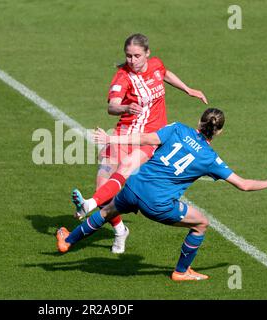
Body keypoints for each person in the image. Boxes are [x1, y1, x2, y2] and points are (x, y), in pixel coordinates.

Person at [58, 108, 267, 281]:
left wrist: (112, 139)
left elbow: (145, 139)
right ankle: (181, 271)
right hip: (157, 204)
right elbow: (243, 185)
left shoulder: (177, 128)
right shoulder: (210, 158)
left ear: (199, 121)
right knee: (201, 224)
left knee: (107, 211)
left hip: (134, 186)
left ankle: (68, 241)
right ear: (219, 132)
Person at [72, 33, 208, 254]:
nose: (132, 60)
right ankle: (119, 231)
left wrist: (188, 89)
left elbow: (165, 74)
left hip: (151, 137)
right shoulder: (122, 77)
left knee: (125, 168)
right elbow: (112, 106)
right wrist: (126, 108)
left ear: (147, 54)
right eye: (128, 56)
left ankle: (89, 205)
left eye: (136, 56)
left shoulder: (155, 65)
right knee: (102, 184)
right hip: (124, 133)